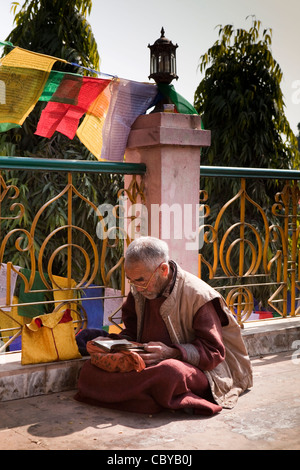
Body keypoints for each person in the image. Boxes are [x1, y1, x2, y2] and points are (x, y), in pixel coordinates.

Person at [75, 236, 253, 416]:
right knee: (89, 370)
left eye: (141, 280)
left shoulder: (198, 296)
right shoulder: (139, 290)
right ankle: (153, 398)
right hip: (147, 363)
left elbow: (214, 353)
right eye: (131, 280)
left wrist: (173, 352)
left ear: (163, 269)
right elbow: (132, 333)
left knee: (169, 373)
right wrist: (112, 344)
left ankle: (146, 396)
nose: (136, 287)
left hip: (203, 371)